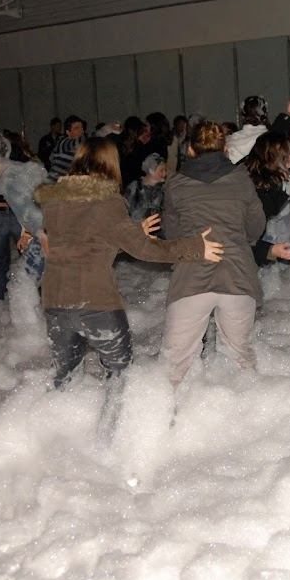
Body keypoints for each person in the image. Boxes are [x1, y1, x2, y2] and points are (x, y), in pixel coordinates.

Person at [34, 138, 223, 397]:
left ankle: (60, 435)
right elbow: (146, 250)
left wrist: (133, 233)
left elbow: (84, 244)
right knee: (120, 380)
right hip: (96, 304)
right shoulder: (107, 202)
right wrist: (195, 247)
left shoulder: (53, 203)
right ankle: (113, 436)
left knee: (64, 381)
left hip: (55, 301)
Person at [161, 121, 268, 390]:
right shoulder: (241, 179)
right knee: (240, 358)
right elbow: (256, 225)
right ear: (225, 148)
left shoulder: (176, 183)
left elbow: (171, 232)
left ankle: (167, 424)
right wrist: (239, 242)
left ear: (191, 149)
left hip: (191, 277)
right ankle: (245, 421)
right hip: (237, 274)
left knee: (174, 366)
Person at [0, 132, 49, 283]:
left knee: (22, 283)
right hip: (50, 230)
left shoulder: (8, 181)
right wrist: (28, 233)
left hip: (47, 235)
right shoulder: (20, 169)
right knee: (31, 283)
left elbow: (36, 216)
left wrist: (43, 242)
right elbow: (34, 204)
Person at [0, 131, 36, 303]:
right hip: (17, 214)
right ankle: (29, 303)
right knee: (28, 261)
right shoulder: (23, 164)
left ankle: (0, 301)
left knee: (1, 262)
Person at [124, 153, 167, 235]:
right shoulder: (135, 187)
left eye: (165, 170)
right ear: (151, 170)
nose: (164, 174)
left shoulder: (163, 190)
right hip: (136, 232)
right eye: (161, 171)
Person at [48, 115, 85, 182]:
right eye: (76, 128)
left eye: (82, 128)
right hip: (55, 184)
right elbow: (85, 140)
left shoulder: (80, 147)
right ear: (68, 132)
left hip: (68, 185)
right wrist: (104, 131)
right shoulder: (63, 143)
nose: (81, 131)